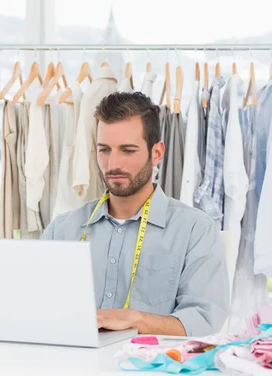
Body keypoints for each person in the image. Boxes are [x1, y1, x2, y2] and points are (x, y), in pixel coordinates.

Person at [42, 92, 229, 337]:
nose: (112, 164)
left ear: (157, 153)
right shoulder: (62, 229)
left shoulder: (196, 231)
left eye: (128, 150)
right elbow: (36, 306)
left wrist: (134, 319)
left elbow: (204, 322)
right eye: (104, 150)